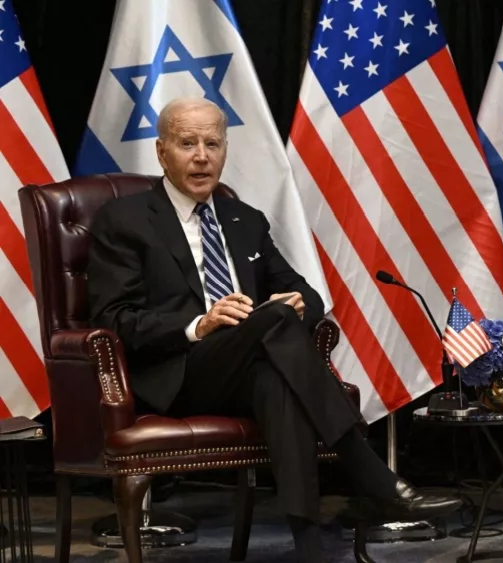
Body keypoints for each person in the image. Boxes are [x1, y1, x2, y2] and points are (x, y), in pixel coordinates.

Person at [86, 97, 462, 563]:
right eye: (187, 144)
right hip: (178, 373)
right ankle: (369, 473)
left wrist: (292, 307)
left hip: (246, 370)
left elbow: (309, 297)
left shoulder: (245, 220)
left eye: (212, 144)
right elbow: (114, 318)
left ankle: (310, 549)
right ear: (162, 152)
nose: (201, 157)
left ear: (225, 150)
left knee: (276, 376)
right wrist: (199, 324)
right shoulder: (124, 220)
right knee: (276, 321)